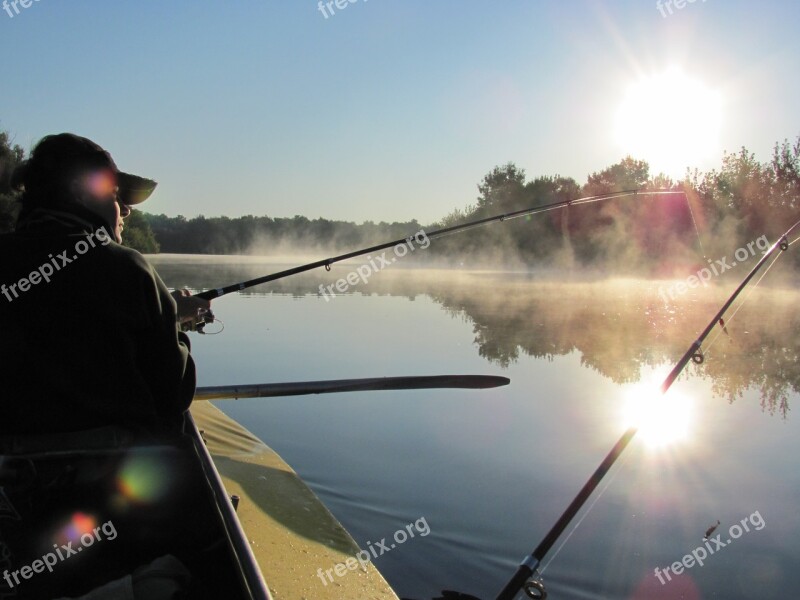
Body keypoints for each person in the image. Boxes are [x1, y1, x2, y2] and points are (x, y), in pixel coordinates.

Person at [0, 132, 209, 437]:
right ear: (79, 192)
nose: (125, 210)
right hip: (105, 471)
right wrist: (171, 322)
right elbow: (172, 393)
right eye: (115, 195)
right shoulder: (128, 268)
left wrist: (167, 312)